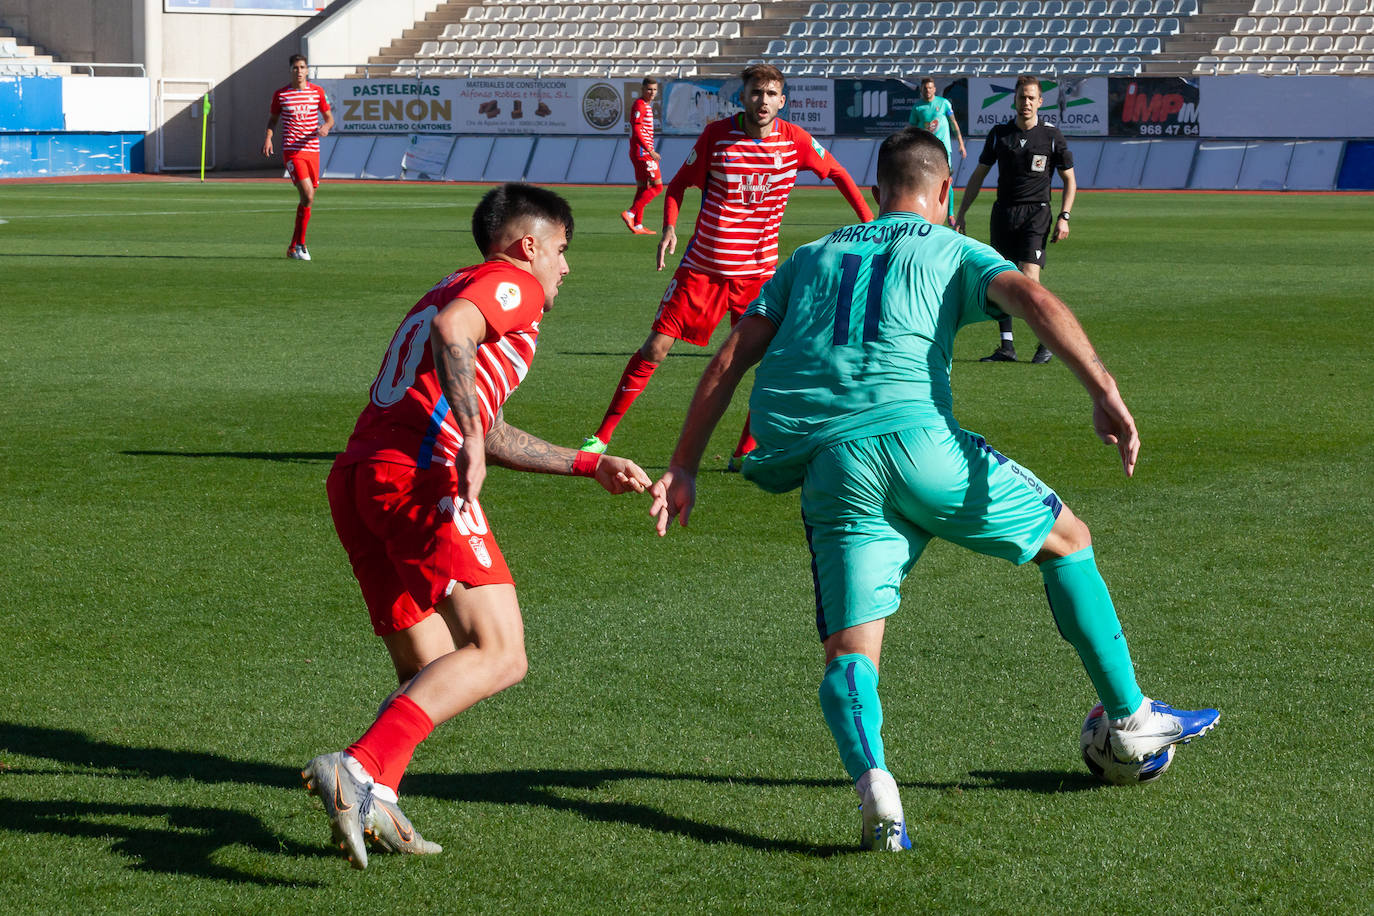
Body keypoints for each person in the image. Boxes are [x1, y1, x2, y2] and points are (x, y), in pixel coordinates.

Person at [649, 128, 1218, 852]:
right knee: (1067, 540)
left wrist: (686, 464)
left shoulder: (810, 256)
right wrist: (1102, 389)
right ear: (945, 192)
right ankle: (1130, 714)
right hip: (925, 449)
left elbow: (732, 356)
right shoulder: (949, 246)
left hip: (835, 463)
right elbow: (1032, 297)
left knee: (850, 652)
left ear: (876, 186)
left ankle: (876, 788)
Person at [304, 183, 651, 870]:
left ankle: (377, 790)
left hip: (360, 478)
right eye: (562, 250)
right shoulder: (509, 282)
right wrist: (464, 436)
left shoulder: (458, 283)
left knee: (436, 670)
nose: (565, 267)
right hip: (417, 478)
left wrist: (590, 464)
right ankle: (357, 767)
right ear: (530, 246)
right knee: (501, 653)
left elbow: (488, 427)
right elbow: (454, 336)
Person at [579, 63, 874, 470]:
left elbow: (839, 173)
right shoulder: (717, 136)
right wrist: (669, 228)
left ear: (782, 101)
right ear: (744, 96)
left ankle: (745, 451)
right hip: (703, 269)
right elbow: (678, 186)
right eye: (756, 92)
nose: (763, 101)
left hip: (757, 278)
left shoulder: (796, 142)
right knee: (655, 347)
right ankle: (601, 437)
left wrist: (870, 224)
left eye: (771, 94)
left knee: (768, 362)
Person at [954, 74, 1076, 365]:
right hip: (1004, 213)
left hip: (1037, 212)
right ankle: (1006, 346)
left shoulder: (1051, 136)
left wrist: (1064, 217)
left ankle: (1046, 341)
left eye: (1032, 98)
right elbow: (978, 176)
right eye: (1022, 97)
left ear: (1040, 102)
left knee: (1030, 277)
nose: (1027, 103)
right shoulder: (999, 134)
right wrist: (961, 213)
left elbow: (1069, 180)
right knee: (1002, 279)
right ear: (1015, 100)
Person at [264, 53, 333, 261]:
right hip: (292, 152)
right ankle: (301, 245)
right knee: (308, 195)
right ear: (290, 70)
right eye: (296, 68)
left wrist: (326, 127)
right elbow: (272, 121)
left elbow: (330, 118)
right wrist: (268, 138)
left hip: (312, 151)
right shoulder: (282, 95)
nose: (299, 71)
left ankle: (293, 246)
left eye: (303, 67)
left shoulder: (317, 92)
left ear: (307, 70)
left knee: (307, 199)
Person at [906, 77, 966, 226]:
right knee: (924, 180)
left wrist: (961, 144)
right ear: (921, 90)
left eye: (930, 88)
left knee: (947, 180)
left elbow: (953, 123)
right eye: (925, 88)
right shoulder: (918, 108)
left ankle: (950, 214)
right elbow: (911, 129)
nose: (928, 91)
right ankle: (924, 211)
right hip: (925, 149)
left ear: (934, 89)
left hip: (944, 150)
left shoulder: (944, 103)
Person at [621, 76, 662, 235]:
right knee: (658, 187)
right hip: (643, 152)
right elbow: (636, 129)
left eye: (654, 90)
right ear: (642, 90)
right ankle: (630, 213)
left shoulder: (645, 105)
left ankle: (638, 225)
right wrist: (650, 150)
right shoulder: (640, 105)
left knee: (643, 188)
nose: (652, 92)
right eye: (649, 89)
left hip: (639, 151)